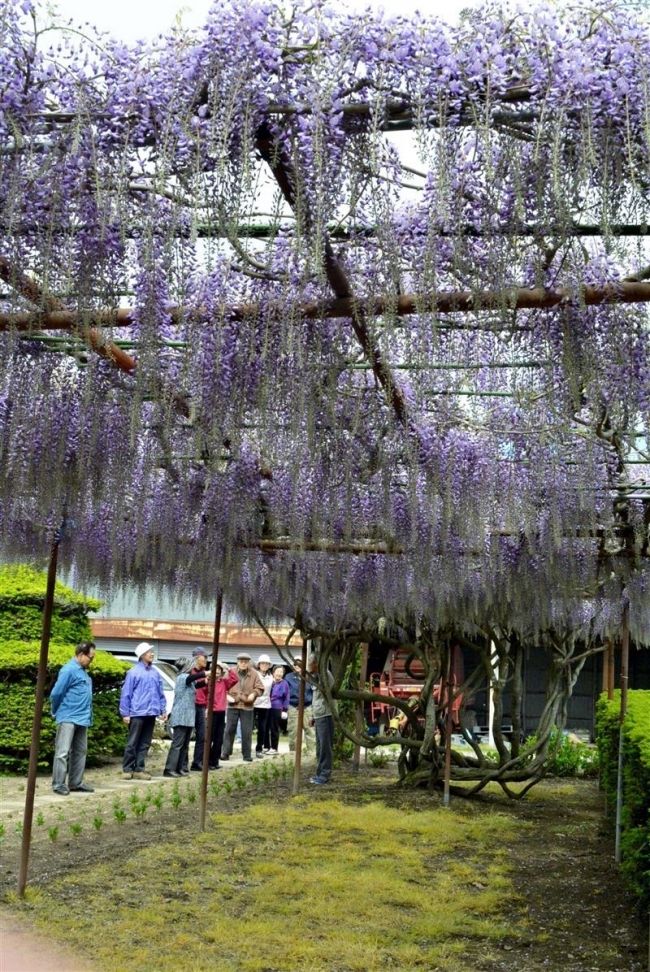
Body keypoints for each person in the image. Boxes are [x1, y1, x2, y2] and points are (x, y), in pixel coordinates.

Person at [49, 641, 96, 795]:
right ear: (81, 655)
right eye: (90, 658)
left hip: (82, 718)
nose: (91, 661)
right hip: (68, 716)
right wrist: (56, 711)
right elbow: (56, 693)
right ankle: (58, 784)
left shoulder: (83, 671)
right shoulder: (68, 670)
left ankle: (76, 783)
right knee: (62, 752)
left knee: (80, 751)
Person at [119, 642, 167, 780]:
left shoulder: (155, 673)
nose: (152, 654)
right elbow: (126, 693)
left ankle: (139, 769)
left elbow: (160, 693)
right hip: (136, 712)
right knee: (132, 741)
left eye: (152, 651)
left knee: (145, 742)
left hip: (151, 713)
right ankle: (127, 769)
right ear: (141, 655)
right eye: (149, 652)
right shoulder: (133, 672)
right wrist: (125, 713)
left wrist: (162, 709)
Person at [163, 657, 207, 778]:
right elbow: (192, 679)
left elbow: (197, 685)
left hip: (188, 717)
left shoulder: (188, 680)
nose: (193, 668)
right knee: (177, 744)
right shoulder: (182, 677)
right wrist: (204, 673)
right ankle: (169, 768)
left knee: (185, 744)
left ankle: (180, 767)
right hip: (181, 716)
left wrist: (206, 680)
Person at [221, 651, 264, 763]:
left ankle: (247, 754)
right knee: (229, 729)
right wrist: (227, 696)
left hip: (247, 706)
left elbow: (260, 687)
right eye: (241, 661)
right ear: (237, 662)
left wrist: (254, 693)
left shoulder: (254, 673)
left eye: (245, 662)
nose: (243, 664)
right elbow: (223, 685)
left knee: (246, 731)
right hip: (232, 704)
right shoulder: (231, 671)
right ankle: (225, 752)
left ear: (249, 663)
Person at [308, 654, 337, 785]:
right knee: (320, 747)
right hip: (319, 715)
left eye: (310, 663)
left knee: (325, 747)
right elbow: (316, 699)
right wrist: (313, 716)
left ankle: (324, 775)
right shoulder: (316, 677)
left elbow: (329, 696)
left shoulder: (326, 675)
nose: (308, 666)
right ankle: (319, 774)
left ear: (316, 664)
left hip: (326, 715)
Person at [205, 660, 239, 770]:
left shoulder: (224, 682)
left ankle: (215, 761)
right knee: (210, 738)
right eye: (215, 669)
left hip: (221, 712)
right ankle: (208, 761)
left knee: (219, 739)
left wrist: (228, 668)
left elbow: (235, 679)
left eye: (219, 669)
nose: (217, 671)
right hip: (211, 712)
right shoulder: (208, 681)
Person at [285, 656, 314, 753]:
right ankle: (293, 752)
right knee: (293, 731)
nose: (297, 666)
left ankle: (312, 752)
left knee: (310, 730)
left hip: (307, 707)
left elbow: (313, 692)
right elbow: (286, 692)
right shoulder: (288, 677)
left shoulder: (309, 676)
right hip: (293, 707)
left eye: (299, 664)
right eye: (295, 664)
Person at [187, 647, 210, 771]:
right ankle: (182, 764)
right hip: (190, 705)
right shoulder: (190, 671)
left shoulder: (205, 673)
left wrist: (206, 707)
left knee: (202, 735)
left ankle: (197, 762)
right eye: (205, 657)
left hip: (201, 706)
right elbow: (191, 683)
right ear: (197, 658)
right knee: (186, 736)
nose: (206, 659)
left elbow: (207, 692)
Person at [253, 653, 273, 757]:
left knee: (262, 728)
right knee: (249, 726)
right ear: (259, 664)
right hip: (254, 702)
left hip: (265, 704)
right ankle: (246, 748)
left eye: (266, 663)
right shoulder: (254, 674)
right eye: (262, 663)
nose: (264, 665)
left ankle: (259, 749)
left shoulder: (271, 676)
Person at [268, 663, 290, 754]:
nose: (279, 673)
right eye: (277, 671)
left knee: (274, 728)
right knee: (265, 727)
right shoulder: (269, 681)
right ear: (273, 672)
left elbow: (287, 697)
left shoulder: (284, 683)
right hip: (266, 705)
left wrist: (285, 709)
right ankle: (266, 747)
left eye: (281, 672)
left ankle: (274, 747)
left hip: (277, 707)